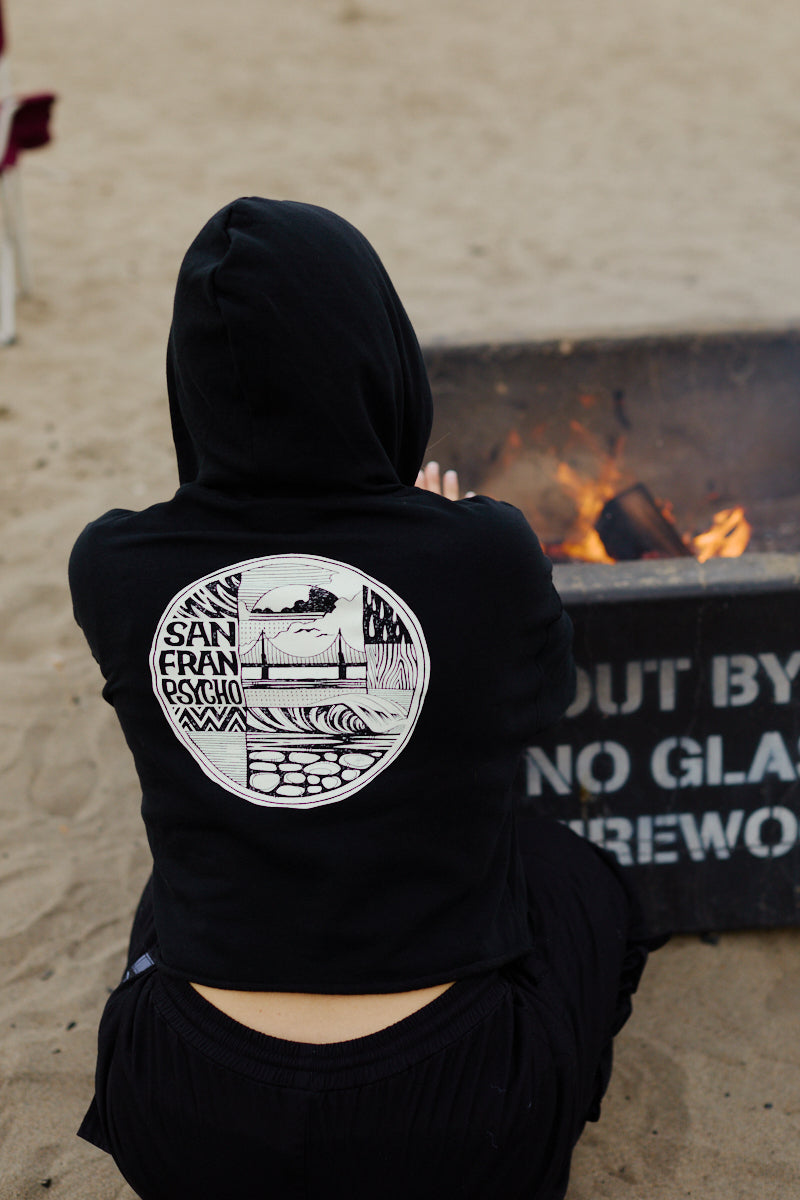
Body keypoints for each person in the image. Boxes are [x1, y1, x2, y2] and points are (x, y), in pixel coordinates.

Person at [69, 197, 661, 1200]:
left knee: (167, 887)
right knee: (581, 880)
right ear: (379, 357)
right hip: (455, 1115)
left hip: (186, 1108)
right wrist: (443, 550)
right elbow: (537, 696)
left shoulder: (113, 563)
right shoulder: (481, 548)